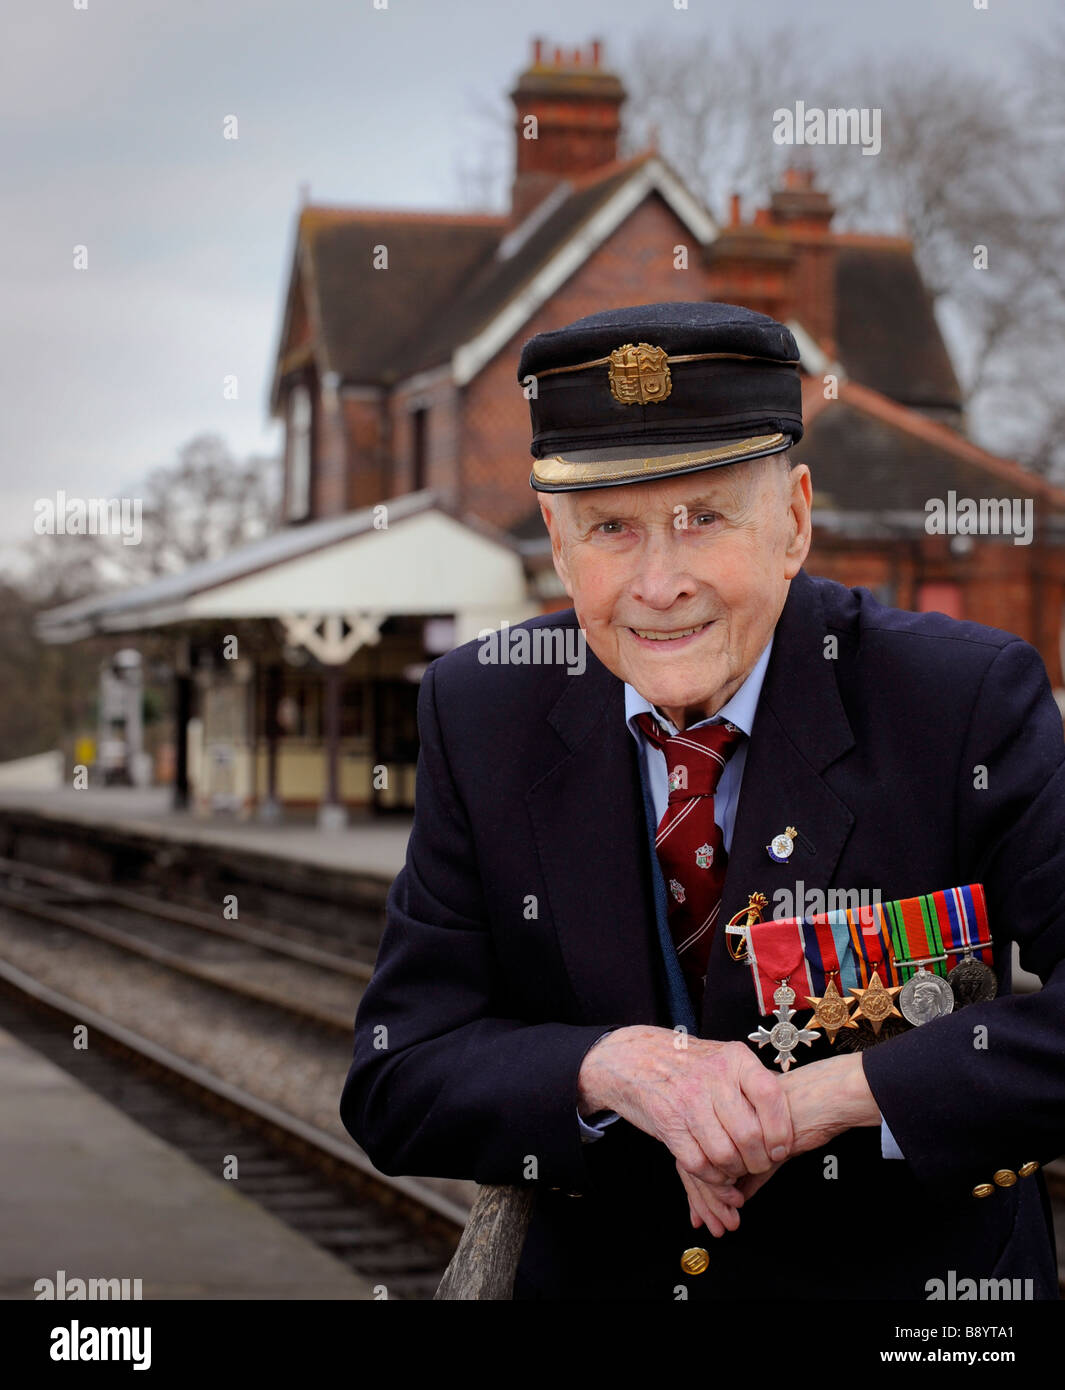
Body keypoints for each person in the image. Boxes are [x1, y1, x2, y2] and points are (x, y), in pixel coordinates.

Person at [340, 301, 1065, 1300]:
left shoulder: (958, 700)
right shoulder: (482, 711)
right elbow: (394, 1077)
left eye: (704, 518)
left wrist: (841, 1094)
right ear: (557, 541)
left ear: (796, 521)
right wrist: (610, 1066)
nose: (659, 582)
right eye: (610, 529)